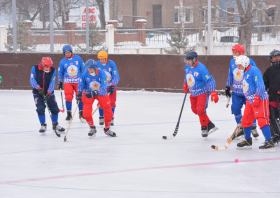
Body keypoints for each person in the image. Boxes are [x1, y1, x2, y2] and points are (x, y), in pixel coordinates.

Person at [235, 55, 274, 152]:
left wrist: (256, 97)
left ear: (244, 64)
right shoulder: (245, 72)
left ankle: (269, 142)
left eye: (239, 65)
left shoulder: (254, 70)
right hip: (250, 100)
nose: (238, 67)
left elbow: (260, 85)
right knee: (246, 120)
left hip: (260, 99)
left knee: (262, 119)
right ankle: (248, 141)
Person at [225, 44, 259, 140]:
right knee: (235, 109)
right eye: (233, 52)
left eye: (236, 52)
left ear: (242, 52)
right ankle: (241, 127)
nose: (234, 54)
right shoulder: (232, 62)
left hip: (248, 92)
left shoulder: (250, 61)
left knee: (251, 110)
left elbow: (254, 74)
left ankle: (253, 126)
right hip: (236, 92)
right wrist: (228, 87)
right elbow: (231, 75)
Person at [183, 51, 219, 138]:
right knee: (195, 110)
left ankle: (204, 128)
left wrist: (213, 92)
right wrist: (185, 84)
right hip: (193, 92)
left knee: (200, 110)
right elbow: (187, 76)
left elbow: (210, 80)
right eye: (186, 60)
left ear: (194, 60)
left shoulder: (201, 69)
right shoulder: (187, 66)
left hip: (202, 92)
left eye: (189, 60)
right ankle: (210, 124)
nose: (187, 62)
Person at [77, 59, 116, 138]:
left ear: (95, 67)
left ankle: (107, 129)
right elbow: (80, 84)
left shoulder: (102, 73)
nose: (90, 71)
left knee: (108, 111)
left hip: (101, 93)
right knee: (86, 113)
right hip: (89, 92)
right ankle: (92, 128)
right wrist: (79, 93)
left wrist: (95, 93)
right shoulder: (85, 73)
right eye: (88, 69)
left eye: (91, 69)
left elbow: (104, 87)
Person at [30, 57, 65, 135]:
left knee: (55, 108)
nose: (48, 68)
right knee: (40, 108)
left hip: (49, 92)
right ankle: (43, 125)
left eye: (49, 67)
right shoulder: (35, 68)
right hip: (37, 92)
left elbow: (52, 82)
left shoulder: (53, 70)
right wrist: (38, 88)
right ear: (42, 65)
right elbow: (32, 80)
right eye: (46, 67)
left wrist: (49, 92)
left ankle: (55, 124)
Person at [58, 45, 86, 122]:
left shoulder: (78, 58)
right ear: (64, 53)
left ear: (71, 52)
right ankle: (69, 114)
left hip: (78, 81)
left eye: (69, 52)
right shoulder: (62, 61)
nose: (67, 54)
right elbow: (60, 73)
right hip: (68, 81)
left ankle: (81, 114)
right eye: (66, 53)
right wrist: (60, 81)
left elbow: (83, 69)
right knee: (68, 97)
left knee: (80, 96)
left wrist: (84, 79)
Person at [96, 51, 120, 126]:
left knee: (112, 102)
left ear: (106, 58)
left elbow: (116, 75)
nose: (101, 60)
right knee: (101, 102)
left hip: (110, 86)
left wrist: (113, 85)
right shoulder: (96, 64)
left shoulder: (111, 63)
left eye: (103, 59)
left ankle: (111, 117)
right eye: (100, 59)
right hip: (101, 87)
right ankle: (101, 116)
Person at [263, 50, 280, 144]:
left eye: (278, 56)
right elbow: (264, 83)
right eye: (274, 57)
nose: (276, 58)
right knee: (271, 117)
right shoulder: (269, 71)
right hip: (273, 97)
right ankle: (275, 135)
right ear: (271, 59)